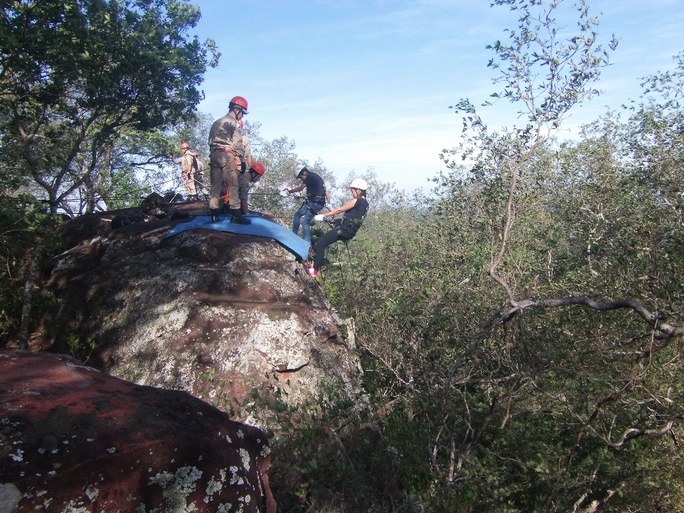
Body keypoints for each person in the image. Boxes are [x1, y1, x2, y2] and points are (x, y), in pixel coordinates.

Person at [306, 178, 369, 278]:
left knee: (321, 241)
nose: (351, 192)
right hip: (349, 231)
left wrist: (324, 216)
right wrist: (336, 222)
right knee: (324, 240)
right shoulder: (366, 205)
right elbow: (354, 217)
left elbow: (339, 210)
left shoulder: (357, 201)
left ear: (358, 190)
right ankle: (315, 264)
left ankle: (315, 270)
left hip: (344, 230)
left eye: (352, 190)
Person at [207, 96, 249, 222]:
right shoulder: (233, 123)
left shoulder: (217, 122)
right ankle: (235, 214)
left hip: (214, 154)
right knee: (233, 184)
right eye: (242, 113)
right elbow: (237, 142)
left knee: (215, 186)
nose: (242, 116)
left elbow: (210, 140)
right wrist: (241, 160)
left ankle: (214, 214)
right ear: (237, 109)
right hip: (227, 155)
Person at [283, 167, 328, 243]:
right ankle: (294, 236)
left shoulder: (309, 177)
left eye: (301, 178)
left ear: (304, 173)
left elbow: (300, 188)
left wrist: (289, 191)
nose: (301, 180)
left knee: (305, 222)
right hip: (315, 202)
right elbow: (317, 191)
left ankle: (306, 243)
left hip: (315, 203)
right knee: (297, 215)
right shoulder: (314, 176)